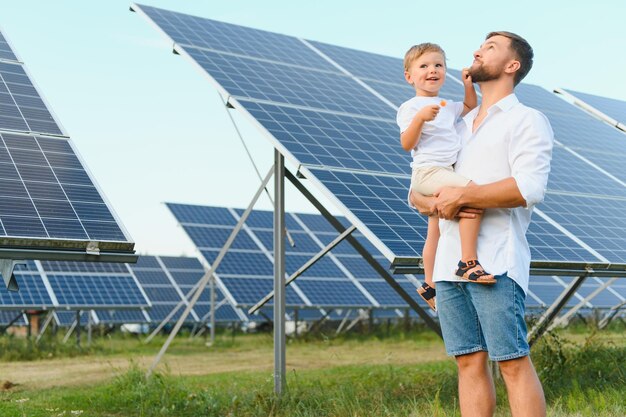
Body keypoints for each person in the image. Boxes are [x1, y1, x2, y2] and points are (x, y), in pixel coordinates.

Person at [411, 31, 553, 417]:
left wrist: (464, 196)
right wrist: (425, 199)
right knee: (468, 362)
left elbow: (529, 188)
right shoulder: (457, 121)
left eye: (490, 47)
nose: (477, 50)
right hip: (447, 264)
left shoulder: (527, 120)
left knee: (511, 361)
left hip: (494, 261)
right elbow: (423, 183)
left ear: (512, 65)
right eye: (479, 45)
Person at [397, 43, 494, 311]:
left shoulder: (445, 105)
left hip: (443, 172)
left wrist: (467, 85)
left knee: (435, 232)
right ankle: (468, 262)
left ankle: (429, 284)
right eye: (424, 66)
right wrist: (419, 119)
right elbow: (407, 143)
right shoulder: (411, 107)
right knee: (474, 195)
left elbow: (469, 106)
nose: (432, 71)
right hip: (428, 172)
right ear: (410, 76)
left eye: (438, 65)